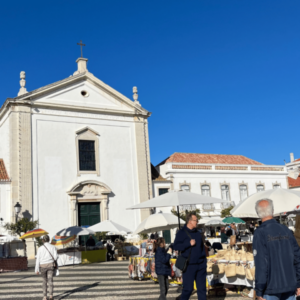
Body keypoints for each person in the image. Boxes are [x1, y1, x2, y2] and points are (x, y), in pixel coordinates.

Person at [253, 199, 300, 300]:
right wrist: (298, 283)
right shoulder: (286, 230)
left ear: (258, 214)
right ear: (273, 211)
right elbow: (297, 258)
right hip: (290, 285)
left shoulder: (260, 233)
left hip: (271, 288)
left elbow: (261, 264)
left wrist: (259, 290)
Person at [174, 212, 206, 300]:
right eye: (196, 220)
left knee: (202, 289)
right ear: (190, 221)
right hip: (189, 266)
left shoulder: (198, 233)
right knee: (188, 289)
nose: (197, 222)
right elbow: (175, 246)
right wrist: (188, 244)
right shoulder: (181, 233)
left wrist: (204, 262)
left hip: (201, 265)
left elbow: (202, 248)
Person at [35, 235, 58, 300]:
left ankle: (44, 297)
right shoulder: (53, 247)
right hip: (50, 265)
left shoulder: (40, 248)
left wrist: (36, 269)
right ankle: (51, 295)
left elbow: (38, 259)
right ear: (49, 240)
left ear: (43, 240)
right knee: (50, 280)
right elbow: (56, 257)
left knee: (44, 281)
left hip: (42, 266)